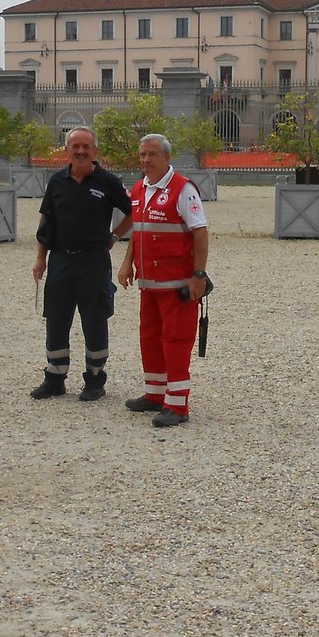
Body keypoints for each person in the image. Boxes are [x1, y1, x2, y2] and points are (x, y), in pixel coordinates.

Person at [30, 127, 131, 401]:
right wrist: (41, 258)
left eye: (86, 146)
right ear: (67, 150)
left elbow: (134, 212)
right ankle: (55, 377)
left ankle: (95, 380)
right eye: (75, 146)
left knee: (95, 320)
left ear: (95, 151)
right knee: (57, 319)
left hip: (94, 261)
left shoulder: (108, 181)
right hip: (61, 259)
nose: (81, 151)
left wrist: (115, 235)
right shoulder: (57, 181)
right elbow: (46, 222)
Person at [116, 134, 210, 427]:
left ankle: (178, 405)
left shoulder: (183, 190)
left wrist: (198, 275)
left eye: (152, 154)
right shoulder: (138, 190)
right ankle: (155, 393)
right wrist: (127, 263)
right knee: (150, 338)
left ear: (167, 158)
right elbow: (139, 231)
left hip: (177, 286)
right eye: (142, 154)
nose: (145, 160)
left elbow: (200, 233)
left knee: (176, 340)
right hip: (150, 285)